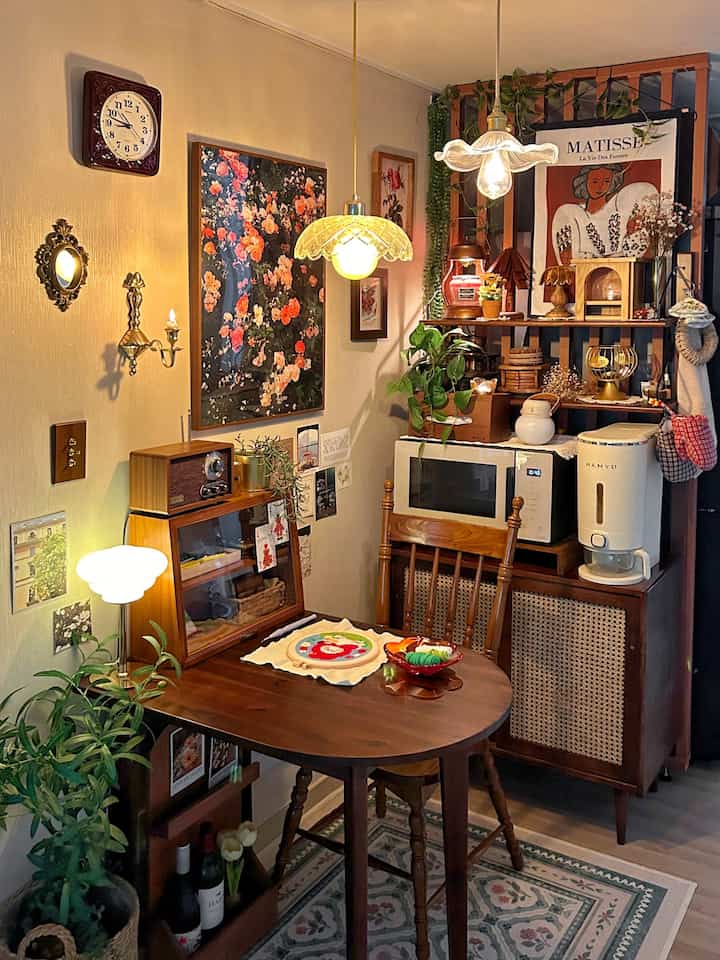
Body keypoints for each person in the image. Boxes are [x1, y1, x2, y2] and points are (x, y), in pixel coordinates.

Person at [551, 164, 657, 264]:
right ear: (584, 182)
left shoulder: (621, 209)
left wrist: (632, 232)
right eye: (595, 181)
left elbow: (634, 254)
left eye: (606, 181)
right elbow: (567, 261)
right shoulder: (571, 213)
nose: (600, 186)